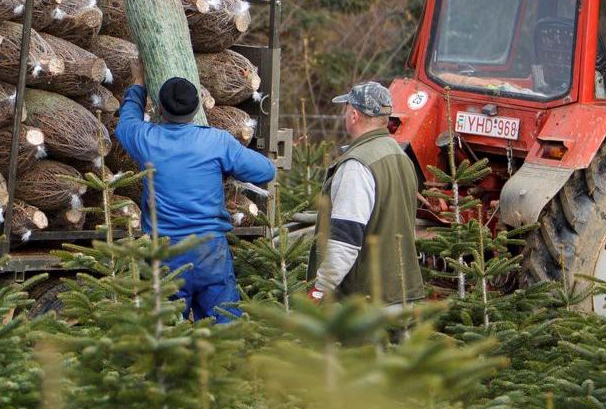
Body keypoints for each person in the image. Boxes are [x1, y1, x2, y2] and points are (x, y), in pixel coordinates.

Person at [115, 75, 277, 322]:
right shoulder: (217, 141)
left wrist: (137, 84)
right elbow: (266, 171)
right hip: (210, 251)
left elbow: (126, 122)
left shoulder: (146, 139)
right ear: (197, 108)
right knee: (224, 329)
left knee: (165, 333)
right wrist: (227, 166)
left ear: (159, 109)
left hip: (166, 252)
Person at [307, 81, 425, 305]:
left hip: (366, 303)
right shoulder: (401, 157)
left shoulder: (357, 165)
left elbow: (346, 241)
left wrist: (319, 289)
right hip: (402, 294)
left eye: (346, 110)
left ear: (353, 115)